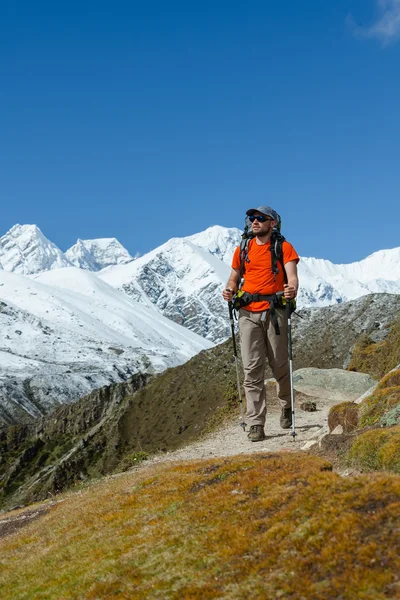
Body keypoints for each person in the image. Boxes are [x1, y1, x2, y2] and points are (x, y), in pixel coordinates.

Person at [222, 205, 299, 442]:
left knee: (279, 365)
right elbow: (234, 277)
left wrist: (292, 289)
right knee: (251, 370)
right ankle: (256, 423)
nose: (254, 221)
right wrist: (230, 289)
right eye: (252, 218)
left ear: (272, 223)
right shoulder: (242, 249)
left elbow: (292, 276)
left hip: (274, 312)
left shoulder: (283, 247)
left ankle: (286, 406)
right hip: (247, 312)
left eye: (260, 218)